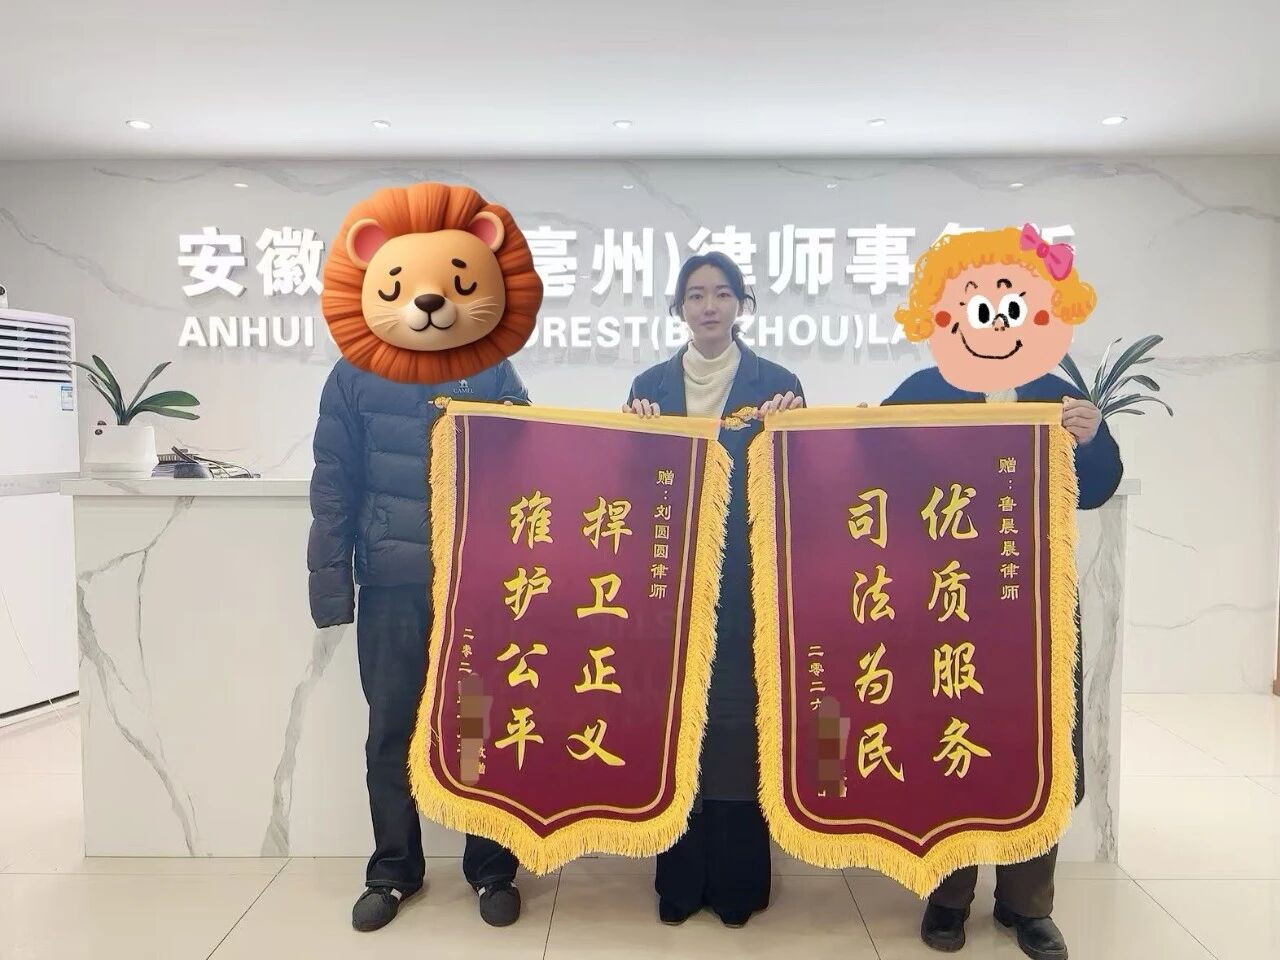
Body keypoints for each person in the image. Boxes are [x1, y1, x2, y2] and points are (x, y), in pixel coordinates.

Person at [884, 224, 1123, 960]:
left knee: (1035, 747)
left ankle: (1028, 905)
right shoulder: (921, 392)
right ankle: (948, 895)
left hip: (1037, 606)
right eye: (975, 302)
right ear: (947, 311)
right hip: (949, 602)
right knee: (952, 740)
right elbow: (867, 468)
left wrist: (1093, 437)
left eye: (1011, 303)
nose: (993, 317)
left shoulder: (1060, 395)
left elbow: (1098, 487)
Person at [308, 356, 532, 933]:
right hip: (391, 582)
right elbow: (333, 484)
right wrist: (331, 590)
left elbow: (528, 457)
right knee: (392, 729)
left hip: (473, 582)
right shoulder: (354, 374)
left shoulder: (488, 364)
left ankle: (492, 868)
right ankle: (393, 870)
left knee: (477, 728)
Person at [623, 251, 805, 929]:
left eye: (722, 294)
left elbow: (801, 486)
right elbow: (627, 493)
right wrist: (633, 436)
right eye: (696, 294)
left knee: (735, 726)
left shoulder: (778, 385)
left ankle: (736, 883)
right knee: (675, 725)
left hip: (745, 587)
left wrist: (793, 428)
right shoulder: (648, 387)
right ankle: (679, 881)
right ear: (678, 307)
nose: (708, 306)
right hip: (669, 587)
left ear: (741, 305)